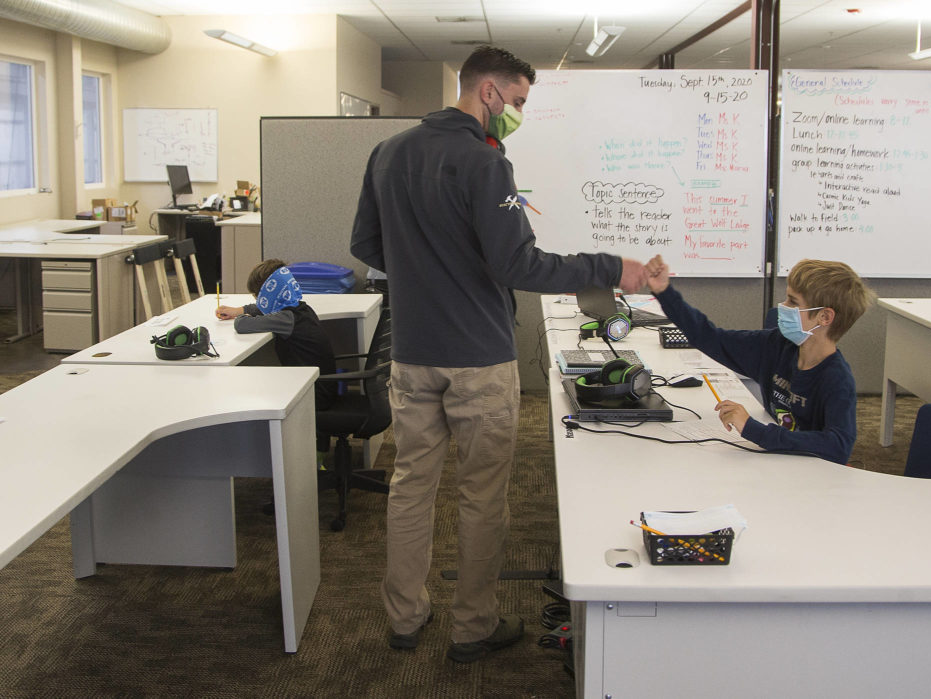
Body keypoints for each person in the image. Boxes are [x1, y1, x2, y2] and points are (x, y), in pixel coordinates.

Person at [350, 45, 647, 663]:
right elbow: (521, 264)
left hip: (411, 354)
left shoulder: (388, 153)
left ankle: (404, 619)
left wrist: (425, 273)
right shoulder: (489, 165)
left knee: (410, 487)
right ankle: (472, 629)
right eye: (516, 101)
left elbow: (366, 244)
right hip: (478, 358)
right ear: (487, 91)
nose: (515, 114)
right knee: (482, 494)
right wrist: (613, 266)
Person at [645, 255, 874, 465]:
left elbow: (838, 446)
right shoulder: (776, 345)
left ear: (824, 316)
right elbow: (712, 338)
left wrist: (753, 430)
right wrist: (665, 293)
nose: (783, 308)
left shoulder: (836, 379)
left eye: (793, 302)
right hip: (773, 462)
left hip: (811, 475)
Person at [215, 259, 337, 465]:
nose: (258, 301)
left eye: (259, 297)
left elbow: (242, 325)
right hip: (324, 386)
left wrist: (240, 314)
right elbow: (265, 310)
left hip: (314, 394)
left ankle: (264, 457)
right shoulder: (300, 309)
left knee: (255, 390)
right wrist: (241, 308)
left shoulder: (285, 320)